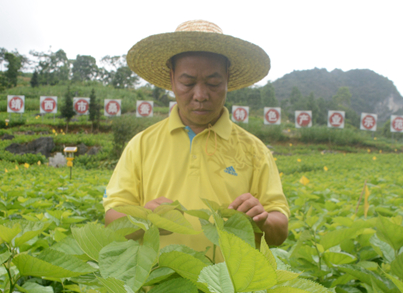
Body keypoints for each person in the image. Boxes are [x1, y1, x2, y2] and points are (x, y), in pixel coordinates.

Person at [103, 20, 289, 254]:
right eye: (188, 82)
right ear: (172, 78)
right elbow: (111, 220)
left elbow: (280, 231)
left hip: (229, 289)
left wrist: (262, 219)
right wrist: (146, 217)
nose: (200, 95)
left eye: (213, 82)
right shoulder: (141, 145)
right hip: (159, 286)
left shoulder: (254, 150)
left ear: (227, 79)